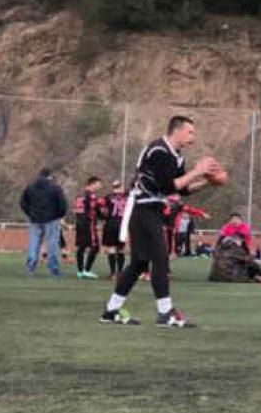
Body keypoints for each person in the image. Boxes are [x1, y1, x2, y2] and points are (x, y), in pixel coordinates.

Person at [100, 115, 221, 327]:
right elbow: (166, 187)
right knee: (160, 259)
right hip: (142, 207)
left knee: (138, 264)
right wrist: (197, 171)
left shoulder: (177, 156)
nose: (193, 136)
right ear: (177, 131)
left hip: (152, 209)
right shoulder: (158, 150)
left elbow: (181, 189)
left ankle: (111, 311)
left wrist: (207, 182)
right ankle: (165, 313)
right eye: (190, 131)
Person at [19, 168, 68, 276]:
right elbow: (63, 204)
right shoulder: (55, 188)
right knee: (52, 244)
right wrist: (59, 215)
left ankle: (31, 267)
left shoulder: (30, 187)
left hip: (35, 219)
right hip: (51, 219)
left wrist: (30, 213)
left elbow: (22, 202)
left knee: (34, 243)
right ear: (49, 176)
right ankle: (53, 269)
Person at [71, 176, 106, 279]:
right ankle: (86, 270)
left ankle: (80, 271)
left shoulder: (79, 195)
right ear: (93, 184)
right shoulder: (91, 196)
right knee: (95, 247)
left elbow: (77, 209)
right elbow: (96, 210)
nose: (100, 186)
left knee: (81, 247)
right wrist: (105, 217)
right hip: (89, 224)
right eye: (99, 184)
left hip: (79, 223)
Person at [101, 180, 128, 278]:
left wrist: (104, 219)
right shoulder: (127, 197)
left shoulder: (108, 197)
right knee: (121, 249)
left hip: (111, 223)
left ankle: (113, 273)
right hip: (122, 224)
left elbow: (101, 209)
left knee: (112, 248)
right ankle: (120, 272)